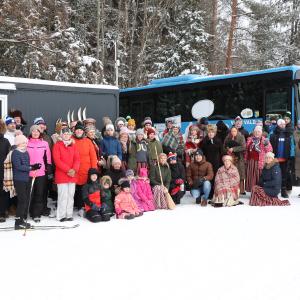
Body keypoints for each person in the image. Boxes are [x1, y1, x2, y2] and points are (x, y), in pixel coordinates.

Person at [12, 135, 41, 229]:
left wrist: (34, 166)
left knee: (26, 199)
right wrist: (30, 168)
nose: (25, 144)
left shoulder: (26, 152)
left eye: (25, 142)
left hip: (26, 179)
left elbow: (27, 165)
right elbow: (18, 166)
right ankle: (18, 222)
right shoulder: (15, 153)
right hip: (19, 179)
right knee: (22, 200)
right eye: (23, 142)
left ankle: (21, 220)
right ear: (18, 143)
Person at [52, 127, 80, 222]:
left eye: (68, 134)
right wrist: (68, 170)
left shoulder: (74, 146)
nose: (66, 135)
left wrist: (74, 170)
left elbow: (77, 159)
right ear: (61, 135)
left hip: (72, 175)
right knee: (63, 196)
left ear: (70, 135)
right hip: (62, 174)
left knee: (70, 195)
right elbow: (57, 160)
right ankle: (61, 215)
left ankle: (69, 214)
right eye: (64, 134)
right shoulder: (57, 145)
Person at [27, 125, 52, 222]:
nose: (35, 133)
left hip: (41, 173)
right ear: (31, 132)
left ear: (40, 132)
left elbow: (48, 158)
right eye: (33, 131)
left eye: (37, 131)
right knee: (29, 194)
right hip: (29, 172)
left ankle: (36, 214)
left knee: (39, 193)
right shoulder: (26, 142)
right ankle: (28, 212)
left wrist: (48, 168)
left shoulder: (44, 143)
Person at [73, 121, 97, 213]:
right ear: (74, 131)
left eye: (80, 130)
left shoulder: (88, 141)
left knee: (85, 189)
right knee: (77, 189)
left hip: (86, 170)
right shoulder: (71, 140)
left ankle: (85, 205)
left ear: (83, 132)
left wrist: (94, 169)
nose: (79, 131)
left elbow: (93, 156)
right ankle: (79, 206)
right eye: (77, 130)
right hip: (74, 170)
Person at [245, 125, 273, 192]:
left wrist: (266, 145)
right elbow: (246, 151)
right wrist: (245, 159)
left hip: (260, 161)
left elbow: (270, 150)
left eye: (259, 131)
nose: (257, 133)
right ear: (253, 132)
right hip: (251, 162)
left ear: (261, 132)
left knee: (258, 177)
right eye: (256, 131)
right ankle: (252, 191)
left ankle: (259, 191)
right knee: (251, 177)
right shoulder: (250, 139)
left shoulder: (265, 140)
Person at [270, 119, 291, 198]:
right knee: (274, 175)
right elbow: (269, 146)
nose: (283, 125)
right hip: (275, 159)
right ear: (278, 125)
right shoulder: (273, 134)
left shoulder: (288, 134)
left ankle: (283, 191)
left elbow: (291, 146)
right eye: (281, 124)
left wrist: (290, 156)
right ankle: (274, 191)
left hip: (285, 159)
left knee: (284, 176)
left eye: (284, 124)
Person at [224, 127, 246, 194]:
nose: (233, 132)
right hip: (230, 158)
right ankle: (232, 189)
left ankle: (241, 190)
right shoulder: (228, 137)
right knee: (231, 173)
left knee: (240, 173)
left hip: (239, 158)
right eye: (232, 131)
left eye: (234, 131)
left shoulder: (241, 137)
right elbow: (224, 146)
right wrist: (227, 149)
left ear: (237, 131)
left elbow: (243, 147)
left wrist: (233, 149)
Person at [0, 120, 11, 222]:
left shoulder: (6, 141)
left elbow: (9, 156)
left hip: (3, 172)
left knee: (3, 192)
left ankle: (2, 213)